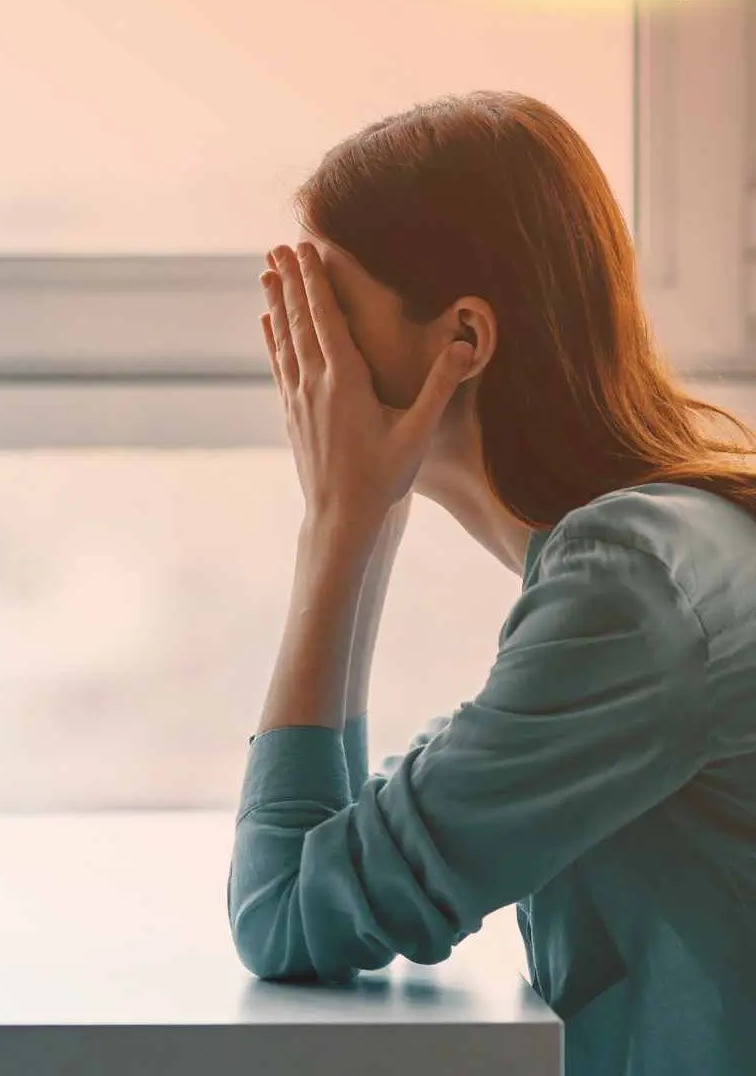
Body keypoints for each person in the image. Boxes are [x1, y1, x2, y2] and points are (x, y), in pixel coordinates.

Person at [228, 89, 756, 1074]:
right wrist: (368, 515)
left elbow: (285, 918)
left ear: (461, 340)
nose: (308, 364)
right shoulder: (660, 548)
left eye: (333, 312)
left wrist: (337, 528)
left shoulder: (628, 595)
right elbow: (341, 860)